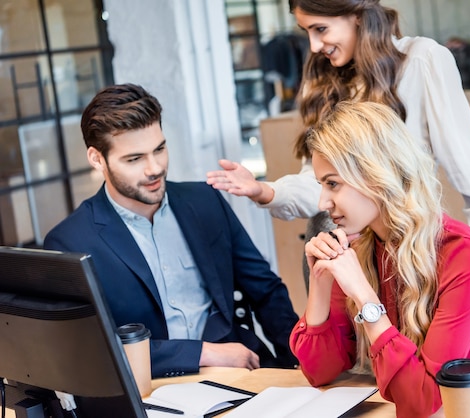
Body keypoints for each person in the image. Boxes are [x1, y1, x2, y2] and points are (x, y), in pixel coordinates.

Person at [205, 0, 470, 304]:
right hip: (338, 249)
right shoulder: (324, 79)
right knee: (352, 377)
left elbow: (468, 167)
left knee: (421, 368)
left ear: (358, 16)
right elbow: (319, 187)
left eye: (320, 29)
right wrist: (264, 191)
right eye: (307, 32)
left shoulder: (422, 62)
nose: (314, 46)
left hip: (406, 251)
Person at [44, 83, 299, 378]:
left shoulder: (205, 201)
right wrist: (202, 352)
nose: (154, 168)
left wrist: (298, 366)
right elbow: (89, 348)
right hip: (154, 385)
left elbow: (265, 290)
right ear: (97, 159)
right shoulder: (70, 241)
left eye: (159, 149)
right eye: (134, 159)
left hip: (240, 368)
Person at [291, 101, 470, 418]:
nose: (323, 202)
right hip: (414, 400)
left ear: (376, 176)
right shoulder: (358, 242)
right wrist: (320, 282)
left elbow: (424, 399)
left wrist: (364, 296)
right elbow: (321, 372)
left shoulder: (461, 251)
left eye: (333, 183)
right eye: (321, 185)